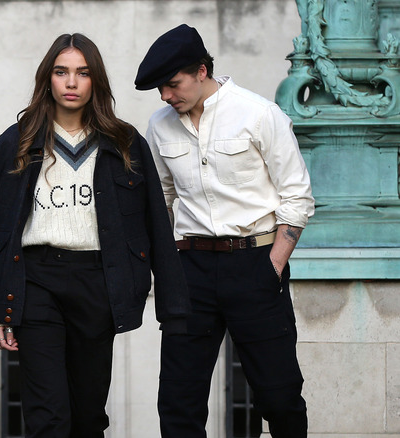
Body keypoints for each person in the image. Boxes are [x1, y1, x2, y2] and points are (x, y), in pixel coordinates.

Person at [0, 33, 189, 438]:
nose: (72, 82)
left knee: (88, 416)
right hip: (35, 282)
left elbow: (155, 227)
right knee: (48, 416)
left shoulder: (125, 144)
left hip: (98, 283)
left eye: (83, 73)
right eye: (62, 72)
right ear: (49, 79)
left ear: (96, 81)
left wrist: (174, 307)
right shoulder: (16, 143)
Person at [134, 24, 314, 438]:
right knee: (178, 403)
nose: (165, 96)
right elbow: (159, 199)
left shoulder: (259, 114)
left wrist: (271, 266)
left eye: (172, 85)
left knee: (280, 395)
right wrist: (166, 266)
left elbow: (297, 198)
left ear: (201, 70)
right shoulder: (160, 125)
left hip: (256, 263)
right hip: (189, 270)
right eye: (159, 89)